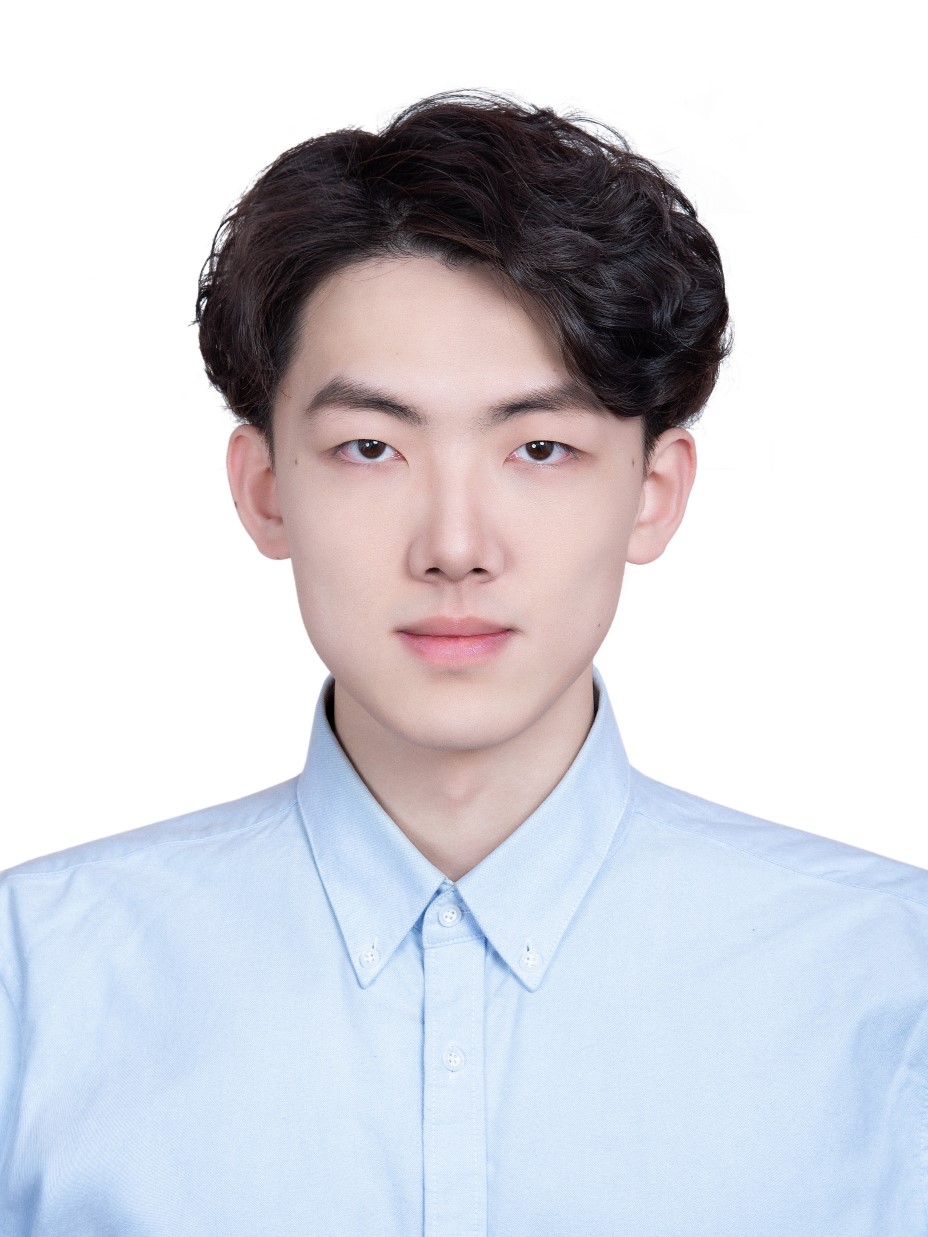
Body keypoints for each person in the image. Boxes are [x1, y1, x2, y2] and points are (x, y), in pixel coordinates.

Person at [1, 91, 926, 1236]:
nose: (453, 546)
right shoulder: (37, 978)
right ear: (265, 489)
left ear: (652, 492)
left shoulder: (889, 979)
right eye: (369, 446)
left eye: (538, 447)